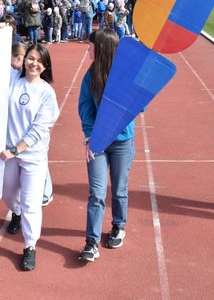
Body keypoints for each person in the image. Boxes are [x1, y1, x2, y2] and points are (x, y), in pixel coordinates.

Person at [77, 29, 135, 262]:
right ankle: (91, 242)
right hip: (98, 143)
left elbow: (138, 106)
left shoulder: (125, 75)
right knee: (97, 192)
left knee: (119, 188)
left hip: (122, 142)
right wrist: (91, 136)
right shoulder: (90, 75)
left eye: (91, 45)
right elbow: (85, 108)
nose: (88, 49)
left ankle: (118, 226)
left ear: (102, 48)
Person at [1, 43, 60, 271]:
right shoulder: (13, 79)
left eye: (40, 61)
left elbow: (38, 130)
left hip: (32, 156)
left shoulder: (47, 93)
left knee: (31, 202)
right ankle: (15, 213)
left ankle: (30, 246)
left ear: (45, 66)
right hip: (9, 154)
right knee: (7, 194)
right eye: (31, 58)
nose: (34, 64)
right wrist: (1, 30)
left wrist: (16, 149)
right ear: (24, 59)